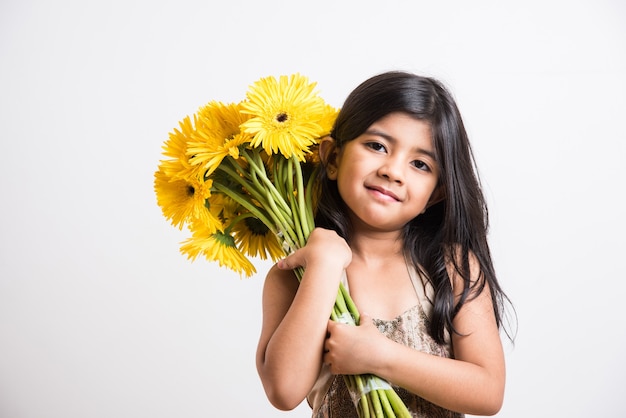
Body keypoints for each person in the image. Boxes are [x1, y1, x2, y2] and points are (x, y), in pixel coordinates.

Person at [255, 71, 513, 417]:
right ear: (332, 158)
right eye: (377, 146)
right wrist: (325, 266)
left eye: (420, 164)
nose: (393, 170)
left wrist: (380, 355)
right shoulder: (295, 275)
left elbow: (488, 392)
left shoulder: (452, 267)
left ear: (435, 194)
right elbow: (283, 391)